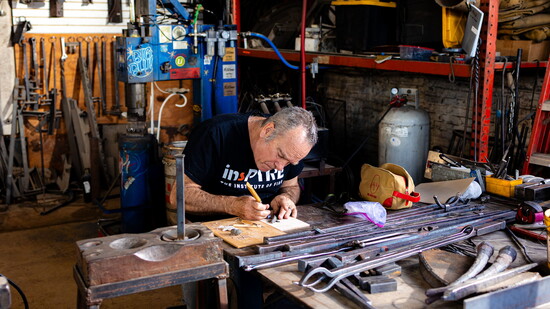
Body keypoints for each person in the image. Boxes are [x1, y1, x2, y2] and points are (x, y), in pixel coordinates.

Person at [169, 106, 318, 221]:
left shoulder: (292, 148)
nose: (280, 167)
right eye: (280, 155)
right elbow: (178, 196)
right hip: (213, 229)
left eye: (289, 163)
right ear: (267, 131)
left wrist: (287, 198)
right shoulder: (214, 134)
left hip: (266, 227)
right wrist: (231, 205)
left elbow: (291, 186)